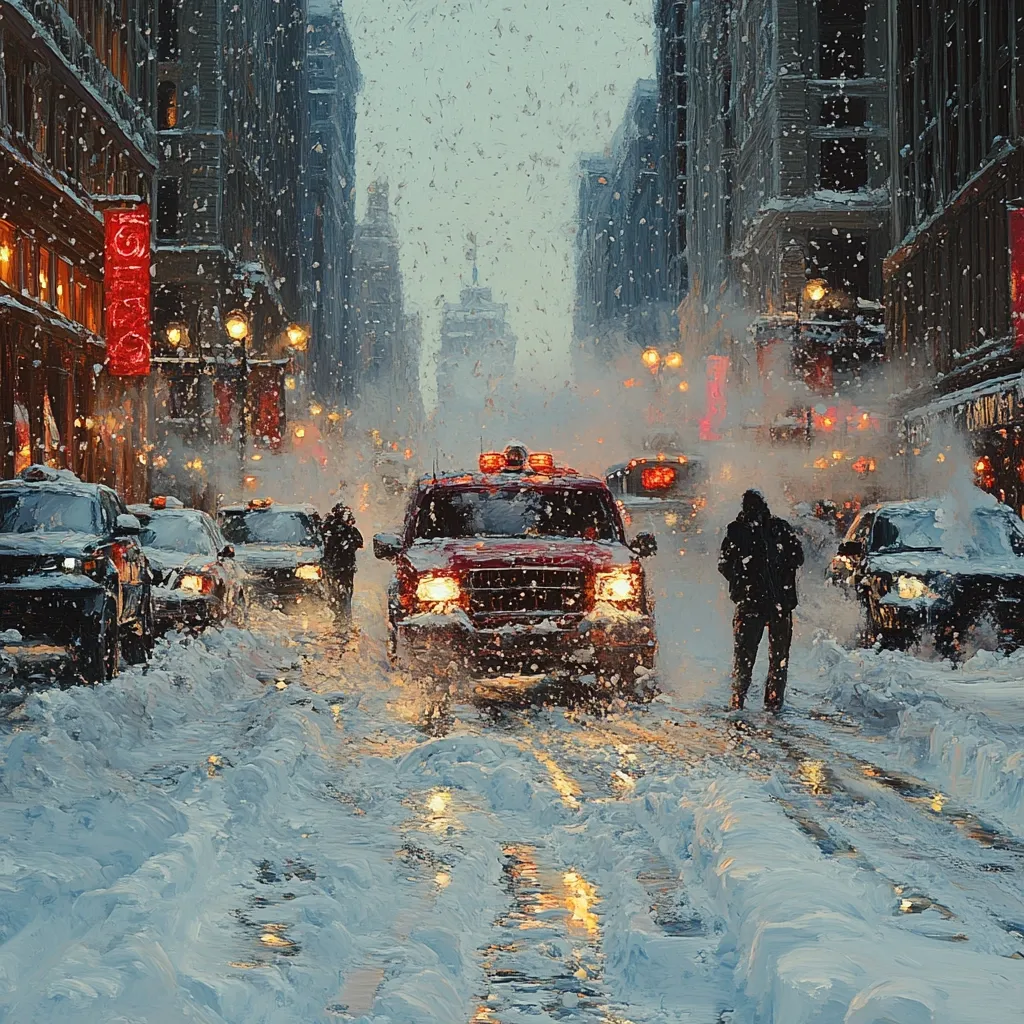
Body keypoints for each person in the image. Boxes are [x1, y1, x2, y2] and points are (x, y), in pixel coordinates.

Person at [718, 489, 804, 712]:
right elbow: (725, 564)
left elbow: (797, 557)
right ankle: (762, 701)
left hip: (765, 602)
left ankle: (746, 699)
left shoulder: (766, 529)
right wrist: (745, 580)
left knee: (751, 657)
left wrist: (744, 582)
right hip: (766, 602)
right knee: (771, 658)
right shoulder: (750, 530)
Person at [321, 497, 363, 617]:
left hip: (334, 565)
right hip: (344, 565)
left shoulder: (329, 528)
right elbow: (359, 542)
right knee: (344, 591)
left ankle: (338, 613)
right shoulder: (348, 530)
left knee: (334, 591)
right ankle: (344, 616)